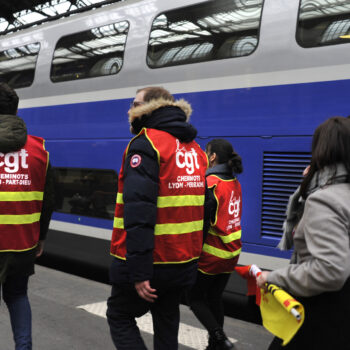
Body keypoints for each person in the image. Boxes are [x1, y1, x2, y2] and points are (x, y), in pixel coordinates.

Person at [106, 86, 209, 350]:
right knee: (167, 323)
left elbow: (139, 212)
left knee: (119, 314)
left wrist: (138, 272)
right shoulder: (196, 150)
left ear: (150, 107)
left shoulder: (145, 144)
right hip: (182, 260)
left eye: (134, 103)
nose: (130, 110)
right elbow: (202, 209)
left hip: (151, 262)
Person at [257, 116, 350, 349]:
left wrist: (272, 277)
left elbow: (330, 269)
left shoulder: (325, 200)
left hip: (325, 315)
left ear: (321, 149)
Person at [0, 82, 55, 349]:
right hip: (23, 244)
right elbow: (50, 198)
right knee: (18, 296)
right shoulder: (39, 150)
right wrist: (41, 238)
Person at [188, 139, 243, 350]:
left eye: (206, 152)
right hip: (232, 253)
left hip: (212, 255)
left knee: (193, 297)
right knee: (214, 297)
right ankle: (215, 346)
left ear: (212, 157)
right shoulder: (234, 182)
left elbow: (202, 224)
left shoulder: (211, 183)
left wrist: (193, 255)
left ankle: (219, 337)